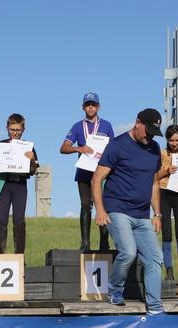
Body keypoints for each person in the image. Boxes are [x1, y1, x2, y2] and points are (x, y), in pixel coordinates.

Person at [92, 108, 165, 315]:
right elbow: (97, 179)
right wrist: (100, 210)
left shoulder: (154, 149)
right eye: (148, 131)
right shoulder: (117, 145)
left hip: (142, 215)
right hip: (117, 209)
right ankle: (115, 289)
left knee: (155, 257)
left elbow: (154, 183)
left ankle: (155, 307)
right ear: (137, 122)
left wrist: (157, 214)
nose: (150, 136)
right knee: (128, 252)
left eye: (154, 133)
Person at [60, 92, 116, 251]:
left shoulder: (106, 125)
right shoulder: (77, 126)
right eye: (87, 105)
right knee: (85, 205)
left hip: (102, 171)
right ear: (83, 107)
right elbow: (63, 148)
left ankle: (104, 242)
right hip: (84, 172)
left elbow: (114, 148)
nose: (90, 107)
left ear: (98, 106)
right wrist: (79, 148)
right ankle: (85, 242)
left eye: (93, 104)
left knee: (103, 205)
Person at [0, 113, 39, 254]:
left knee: (19, 220)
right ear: (7, 128)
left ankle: (20, 256)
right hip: (3, 186)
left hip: (20, 186)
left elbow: (33, 171)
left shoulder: (28, 147)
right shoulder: (0, 145)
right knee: (1, 219)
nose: (15, 133)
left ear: (23, 130)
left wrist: (32, 160)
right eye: (12, 129)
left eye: (18, 130)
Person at [157, 124, 178, 280]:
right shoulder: (161, 154)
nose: (174, 143)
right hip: (164, 194)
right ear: (167, 140)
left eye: (177, 140)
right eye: (171, 140)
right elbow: (154, 175)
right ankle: (169, 271)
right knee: (167, 234)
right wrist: (167, 171)